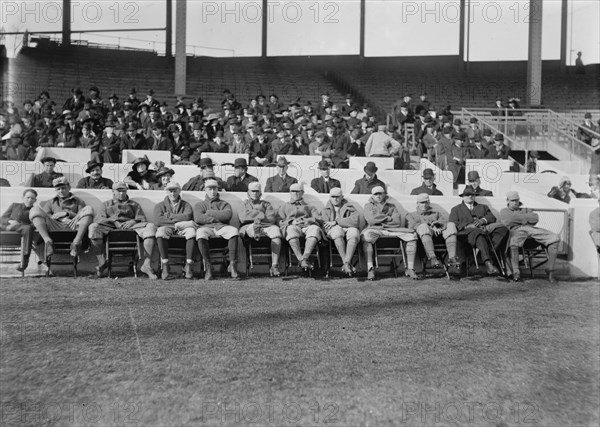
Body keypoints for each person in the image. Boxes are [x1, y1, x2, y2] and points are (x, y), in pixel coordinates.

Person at [88, 181, 157, 278]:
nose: (121, 193)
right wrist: (113, 221)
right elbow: (99, 218)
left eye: (123, 191)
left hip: (130, 229)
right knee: (93, 227)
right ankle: (102, 262)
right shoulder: (106, 204)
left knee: (150, 227)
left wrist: (133, 221)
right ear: (113, 191)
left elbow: (142, 218)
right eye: (118, 191)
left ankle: (146, 265)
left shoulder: (134, 204)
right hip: (110, 228)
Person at [500, 191, 561, 283]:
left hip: (531, 230)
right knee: (513, 243)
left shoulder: (525, 209)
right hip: (517, 230)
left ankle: (550, 269)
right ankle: (516, 272)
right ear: (507, 201)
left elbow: (535, 218)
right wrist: (525, 219)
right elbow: (507, 221)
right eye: (513, 200)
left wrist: (517, 218)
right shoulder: (504, 211)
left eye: (517, 200)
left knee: (555, 238)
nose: (516, 202)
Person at [362, 186, 419, 280]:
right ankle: (370, 269)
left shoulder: (392, 206)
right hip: (375, 229)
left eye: (380, 193)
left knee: (411, 236)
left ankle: (410, 268)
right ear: (372, 196)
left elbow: (397, 222)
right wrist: (387, 218)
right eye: (376, 194)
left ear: (384, 194)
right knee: (366, 237)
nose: (378, 196)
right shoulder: (368, 206)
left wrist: (379, 219)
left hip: (391, 230)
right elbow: (371, 220)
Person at [449, 186, 509, 275]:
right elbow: (453, 223)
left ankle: (490, 249)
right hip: (465, 234)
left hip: (484, 231)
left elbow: (492, 217)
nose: (470, 197)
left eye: (472, 195)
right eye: (467, 195)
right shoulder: (456, 209)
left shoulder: (483, 207)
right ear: (463, 196)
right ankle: (488, 263)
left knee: (503, 229)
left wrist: (483, 220)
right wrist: (468, 226)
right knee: (478, 233)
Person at [29, 177, 94, 259]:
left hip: (72, 225)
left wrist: (67, 213)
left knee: (88, 209)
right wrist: (56, 216)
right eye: (58, 189)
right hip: (55, 225)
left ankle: (76, 243)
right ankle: (48, 242)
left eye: (63, 188)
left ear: (69, 188)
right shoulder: (50, 202)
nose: (61, 191)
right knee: (35, 210)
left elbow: (82, 216)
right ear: (55, 190)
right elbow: (45, 217)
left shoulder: (78, 201)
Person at [193, 179, 239, 280]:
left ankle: (232, 266)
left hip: (221, 227)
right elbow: (198, 218)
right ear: (205, 190)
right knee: (200, 233)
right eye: (209, 189)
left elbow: (227, 216)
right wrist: (216, 218)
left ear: (218, 189)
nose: (212, 192)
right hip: (206, 228)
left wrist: (209, 213)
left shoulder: (224, 204)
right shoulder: (199, 205)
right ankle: (209, 267)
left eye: (214, 189)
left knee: (233, 230)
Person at [237, 181, 283, 277]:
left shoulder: (266, 204)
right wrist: (261, 214)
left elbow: (271, 218)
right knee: (253, 228)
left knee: (276, 234)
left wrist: (253, 215)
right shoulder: (244, 204)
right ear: (248, 192)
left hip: (266, 226)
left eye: (257, 191)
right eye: (252, 191)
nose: (255, 193)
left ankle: (274, 266)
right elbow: (243, 217)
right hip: (249, 226)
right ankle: (256, 230)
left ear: (260, 193)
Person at [154, 181, 197, 280]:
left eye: (175, 191)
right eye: (170, 191)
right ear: (166, 192)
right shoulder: (160, 205)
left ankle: (188, 265)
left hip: (183, 228)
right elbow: (158, 220)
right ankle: (165, 265)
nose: (172, 194)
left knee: (192, 232)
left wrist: (169, 216)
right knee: (160, 232)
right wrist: (177, 223)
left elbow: (187, 216)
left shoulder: (186, 205)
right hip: (169, 228)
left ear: (179, 191)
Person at [406, 193, 461, 270]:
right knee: (423, 227)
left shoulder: (437, 213)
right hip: (423, 241)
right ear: (417, 203)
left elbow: (444, 222)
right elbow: (412, 226)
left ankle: (452, 257)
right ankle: (432, 258)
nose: (424, 205)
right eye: (422, 203)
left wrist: (437, 225)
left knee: (451, 224)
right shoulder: (411, 215)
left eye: (426, 202)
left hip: (440, 239)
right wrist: (430, 226)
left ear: (429, 202)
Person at [278, 183, 323, 271]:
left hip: (307, 227)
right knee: (290, 229)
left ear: (302, 192)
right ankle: (302, 259)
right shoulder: (284, 206)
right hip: (293, 227)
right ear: (290, 193)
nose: (295, 193)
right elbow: (278, 220)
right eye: (293, 191)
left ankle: (305, 257)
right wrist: (291, 221)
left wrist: (308, 220)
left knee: (315, 229)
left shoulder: (309, 206)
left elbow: (319, 218)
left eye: (298, 191)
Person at [319, 187, 360, 276]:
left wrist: (336, 222)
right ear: (330, 197)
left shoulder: (349, 207)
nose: (335, 199)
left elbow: (355, 221)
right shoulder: (326, 209)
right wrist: (335, 225)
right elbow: (325, 225)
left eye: (337, 196)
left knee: (354, 233)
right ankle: (346, 263)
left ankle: (346, 263)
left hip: (348, 228)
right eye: (333, 197)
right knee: (337, 232)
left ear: (342, 197)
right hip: (335, 232)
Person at [0, 189, 40, 272]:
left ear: (35, 200)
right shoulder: (14, 206)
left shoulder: (35, 210)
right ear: (22, 197)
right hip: (6, 232)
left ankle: (24, 262)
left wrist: (18, 225)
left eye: (32, 198)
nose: (29, 200)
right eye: (27, 197)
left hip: (22, 233)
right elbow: (2, 218)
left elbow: (35, 225)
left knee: (28, 228)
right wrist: (9, 221)